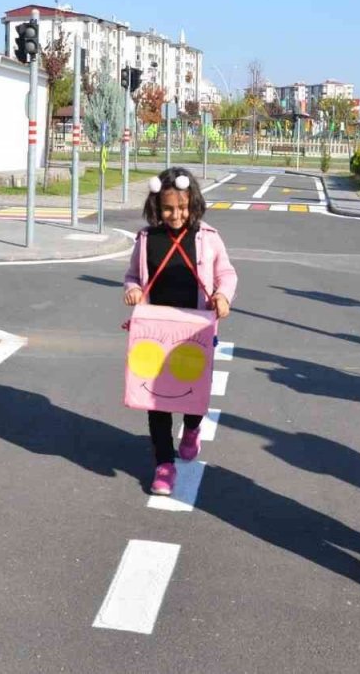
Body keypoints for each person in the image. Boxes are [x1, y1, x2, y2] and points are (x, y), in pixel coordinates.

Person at [123, 167, 237, 497]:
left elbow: (226, 273)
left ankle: (191, 429)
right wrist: (132, 289)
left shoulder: (208, 237)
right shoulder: (147, 240)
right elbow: (132, 275)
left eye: (183, 208)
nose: (176, 215)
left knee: (192, 393)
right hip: (154, 330)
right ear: (157, 207)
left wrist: (222, 295)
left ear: (194, 204)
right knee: (154, 400)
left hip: (194, 331)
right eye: (168, 208)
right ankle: (164, 463)